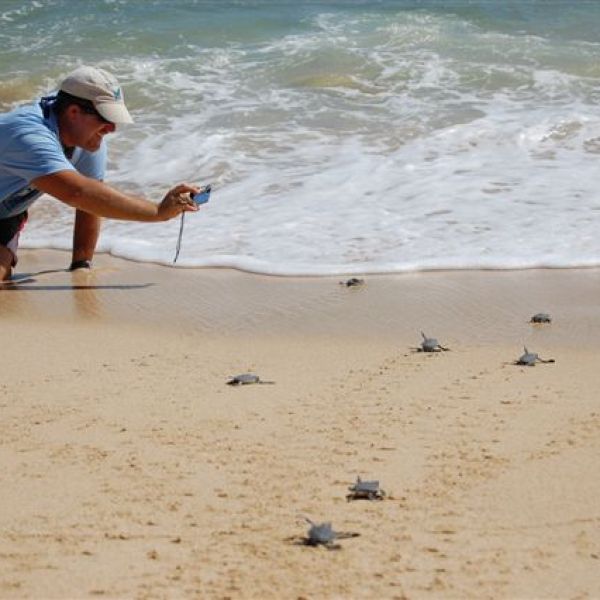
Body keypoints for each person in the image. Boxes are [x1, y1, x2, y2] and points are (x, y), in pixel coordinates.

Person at [0, 65, 200, 281]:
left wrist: (80, 266)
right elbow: (77, 192)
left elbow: (90, 202)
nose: (112, 128)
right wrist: (157, 212)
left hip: (7, 215)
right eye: (105, 118)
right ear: (73, 112)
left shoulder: (85, 138)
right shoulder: (28, 134)